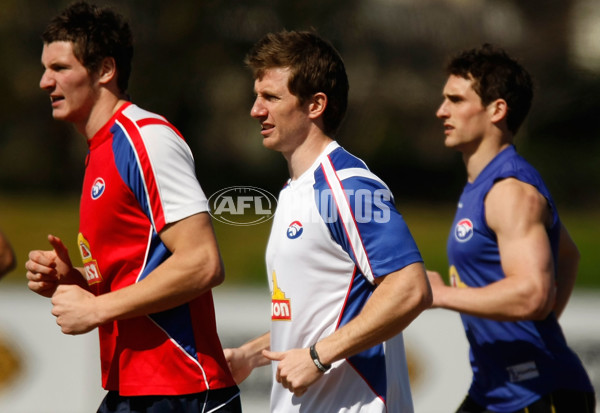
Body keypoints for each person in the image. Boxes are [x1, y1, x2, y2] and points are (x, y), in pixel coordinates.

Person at [25, 2, 240, 412]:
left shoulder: (146, 139)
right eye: (44, 67)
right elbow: (140, 276)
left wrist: (96, 307)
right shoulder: (100, 150)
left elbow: (203, 263)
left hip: (183, 392)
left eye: (59, 68)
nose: (43, 81)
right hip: (137, 390)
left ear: (105, 70)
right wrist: (74, 283)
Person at [224, 30, 432, 413]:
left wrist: (319, 357)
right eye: (257, 97)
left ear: (315, 105)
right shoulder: (293, 190)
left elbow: (410, 287)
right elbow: (320, 316)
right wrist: (251, 355)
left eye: (270, 97)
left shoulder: (348, 186)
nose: (255, 110)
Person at [427, 44, 596, 413]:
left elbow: (533, 295)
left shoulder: (510, 191)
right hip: (495, 389)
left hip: (539, 392)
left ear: (497, 109)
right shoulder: (485, 184)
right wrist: (541, 324)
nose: (441, 111)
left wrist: (440, 295)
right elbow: (567, 254)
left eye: (455, 100)